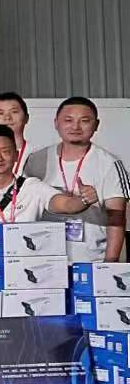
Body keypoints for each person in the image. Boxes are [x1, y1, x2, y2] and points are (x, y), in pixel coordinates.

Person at [0, 125, 87, 257]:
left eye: (5, 151)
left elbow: (66, 205)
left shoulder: (33, 187)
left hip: (25, 265)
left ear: (15, 155)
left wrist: (84, 199)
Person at [23, 96, 130, 262]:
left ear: (96, 125)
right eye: (68, 120)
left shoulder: (110, 164)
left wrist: (110, 263)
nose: (75, 126)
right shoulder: (37, 159)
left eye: (84, 121)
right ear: (56, 123)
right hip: (45, 258)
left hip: (91, 260)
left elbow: (117, 217)